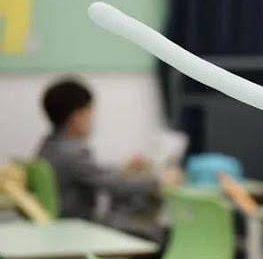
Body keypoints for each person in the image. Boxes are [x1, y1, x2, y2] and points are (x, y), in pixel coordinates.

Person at [37, 77, 182, 240]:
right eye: (90, 112)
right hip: (77, 225)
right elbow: (116, 185)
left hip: (66, 221)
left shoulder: (49, 146)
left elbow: (93, 172)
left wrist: (122, 168)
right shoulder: (72, 153)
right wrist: (159, 181)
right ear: (77, 116)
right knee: (158, 233)